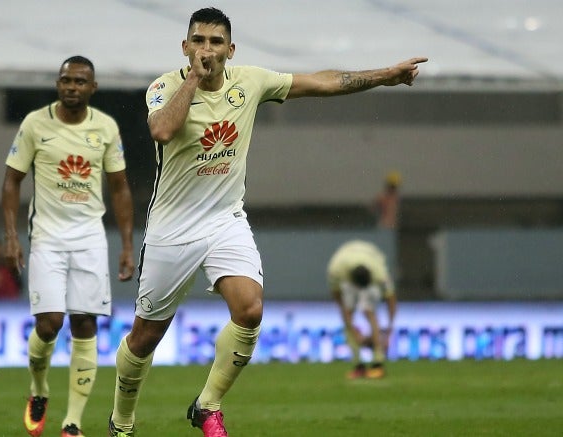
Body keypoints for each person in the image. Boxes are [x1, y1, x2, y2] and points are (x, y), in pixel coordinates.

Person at [108, 7, 425, 437]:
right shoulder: (165, 87)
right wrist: (194, 80)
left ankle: (207, 406)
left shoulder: (251, 82)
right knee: (145, 337)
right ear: (184, 47)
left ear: (231, 50)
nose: (207, 49)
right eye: (198, 41)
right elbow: (162, 131)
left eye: (216, 42)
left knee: (250, 309)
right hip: (172, 227)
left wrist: (384, 75)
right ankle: (122, 422)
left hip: (225, 219)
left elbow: (322, 81)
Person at [2, 55, 135, 437]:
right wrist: (12, 237)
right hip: (46, 235)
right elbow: (11, 181)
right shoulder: (35, 124)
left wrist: (126, 244)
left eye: (79, 81)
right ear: (58, 84)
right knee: (50, 323)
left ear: (93, 88)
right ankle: (39, 389)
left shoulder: (106, 128)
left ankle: (73, 421)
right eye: (66, 81)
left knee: (85, 323)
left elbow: (120, 187)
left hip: (90, 236)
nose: (72, 87)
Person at [327, 240, 397, 380]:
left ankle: (378, 363)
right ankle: (359, 365)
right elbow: (339, 301)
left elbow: (391, 299)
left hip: (370, 260)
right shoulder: (336, 270)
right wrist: (351, 327)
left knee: (369, 312)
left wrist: (389, 331)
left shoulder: (379, 273)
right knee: (348, 313)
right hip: (346, 268)